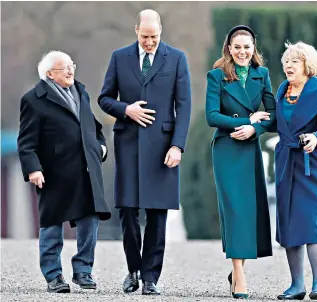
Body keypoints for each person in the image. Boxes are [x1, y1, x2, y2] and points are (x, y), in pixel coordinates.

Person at [98, 9, 191, 295]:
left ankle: (151, 277)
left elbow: (184, 105)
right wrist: (125, 109)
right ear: (136, 30)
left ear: (160, 31)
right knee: (127, 210)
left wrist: (177, 145)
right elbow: (103, 98)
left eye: (154, 37)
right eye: (145, 36)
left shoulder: (176, 58)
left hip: (163, 148)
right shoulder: (119, 57)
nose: (150, 42)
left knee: (157, 213)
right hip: (128, 144)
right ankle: (133, 269)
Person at [17, 51, 111, 293]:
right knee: (52, 222)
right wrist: (33, 169)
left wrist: (100, 147)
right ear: (50, 74)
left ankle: (83, 270)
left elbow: (94, 126)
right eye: (64, 68)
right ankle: (53, 275)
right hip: (54, 172)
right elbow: (26, 142)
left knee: (90, 218)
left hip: (87, 169)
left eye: (71, 66)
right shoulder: (33, 99)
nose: (70, 71)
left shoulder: (81, 92)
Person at [205, 25, 276, 299]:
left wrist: (255, 130)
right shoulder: (216, 76)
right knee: (234, 211)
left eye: (247, 47)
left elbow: (271, 115)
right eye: (237, 47)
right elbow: (212, 116)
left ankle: (237, 271)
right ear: (229, 49)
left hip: (250, 150)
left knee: (247, 213)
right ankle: (241, 276)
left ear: (253, 48)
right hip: (226, 149)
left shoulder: (263, 75)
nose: (242, 52)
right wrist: (247, 120)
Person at [274, 42, 317, 301]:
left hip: (315, 165)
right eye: (286, 61)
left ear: (307, 65)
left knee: (312, 222)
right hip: (287, 162)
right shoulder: (282, 90)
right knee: (289, 222)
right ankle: (296, 285)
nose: (288, 65)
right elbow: (277, 122)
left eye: (294, 61)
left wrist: (315, 137)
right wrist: (255, 123)